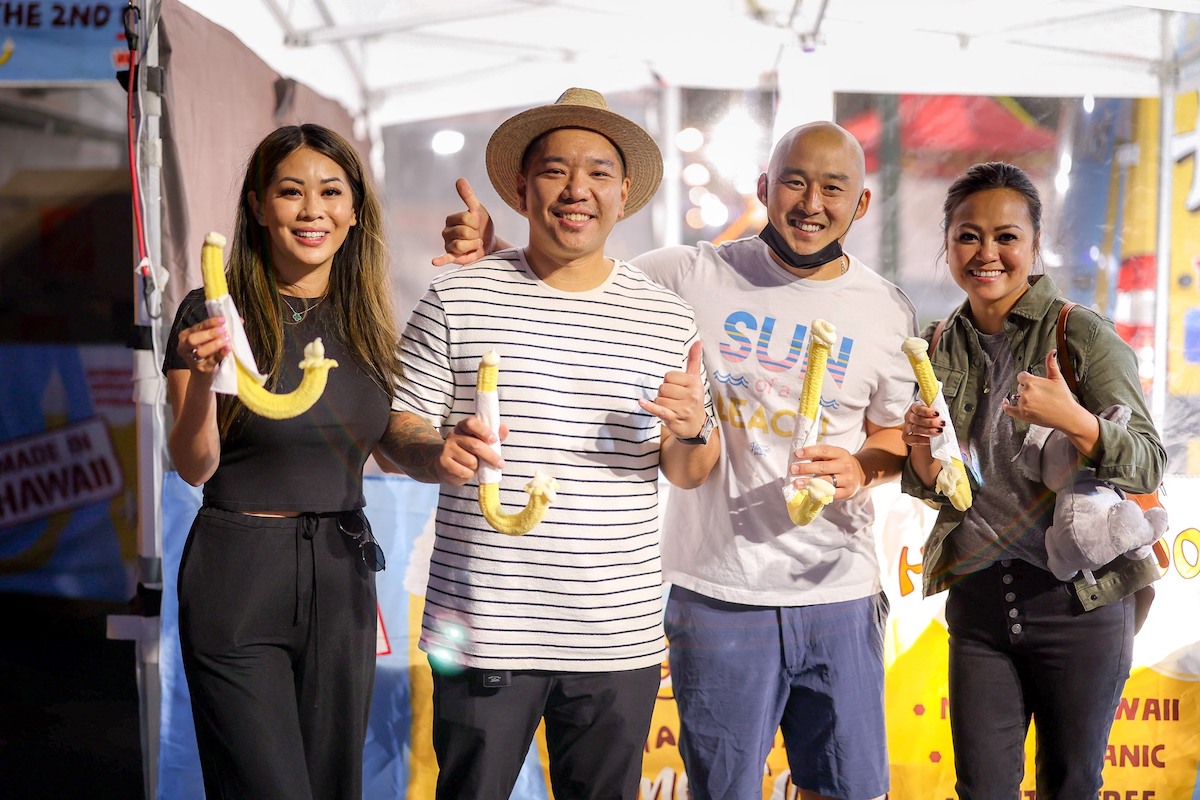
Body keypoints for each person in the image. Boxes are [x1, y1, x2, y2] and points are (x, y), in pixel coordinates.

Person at [438, 120, 915, 800]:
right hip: (719, 594)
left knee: (848, 790)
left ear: (861, 204)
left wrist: (863, 468)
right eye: (795, 183)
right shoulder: (688, 275)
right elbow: (579, 281)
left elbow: (894, 437)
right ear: (763, 190)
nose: (812, 202)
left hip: (839, 590)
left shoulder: (885, 310)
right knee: (721, 791)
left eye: (833, 188)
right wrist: (496, 255)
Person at [386, 88, 721, 800]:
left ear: (624, 192)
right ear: (521, 185)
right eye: (555, 171)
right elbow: (397, 426)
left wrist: (691, 428)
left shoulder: (666, 317)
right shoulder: (458, 296)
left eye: (599, 172)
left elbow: (691, 469)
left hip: (616, 632)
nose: (578, 190)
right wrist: (434, 448)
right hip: (477, 629)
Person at [900, 161, 1164, 800]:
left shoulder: (1082, 334)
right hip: (981, 600)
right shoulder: (937, 344)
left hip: (1080, 601)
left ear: (1034, 245)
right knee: (981, 788)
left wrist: (1075, 420)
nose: (986, 253)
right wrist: (917, 452)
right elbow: (940, 484)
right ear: (947, 243)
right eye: (968, 235)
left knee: (1070, 785)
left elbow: (1149, 459)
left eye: (1006, 236)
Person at [164, 123, 403, 799]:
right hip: (239, 569)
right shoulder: (214, 311)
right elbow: (195, 464)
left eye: (331, 191)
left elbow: (393, 439)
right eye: (290, 191)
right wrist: (201, 383)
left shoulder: (369, 321)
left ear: (355, 210)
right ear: (256, 204)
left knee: (331, 786)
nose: (311, 210)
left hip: (342, 567)